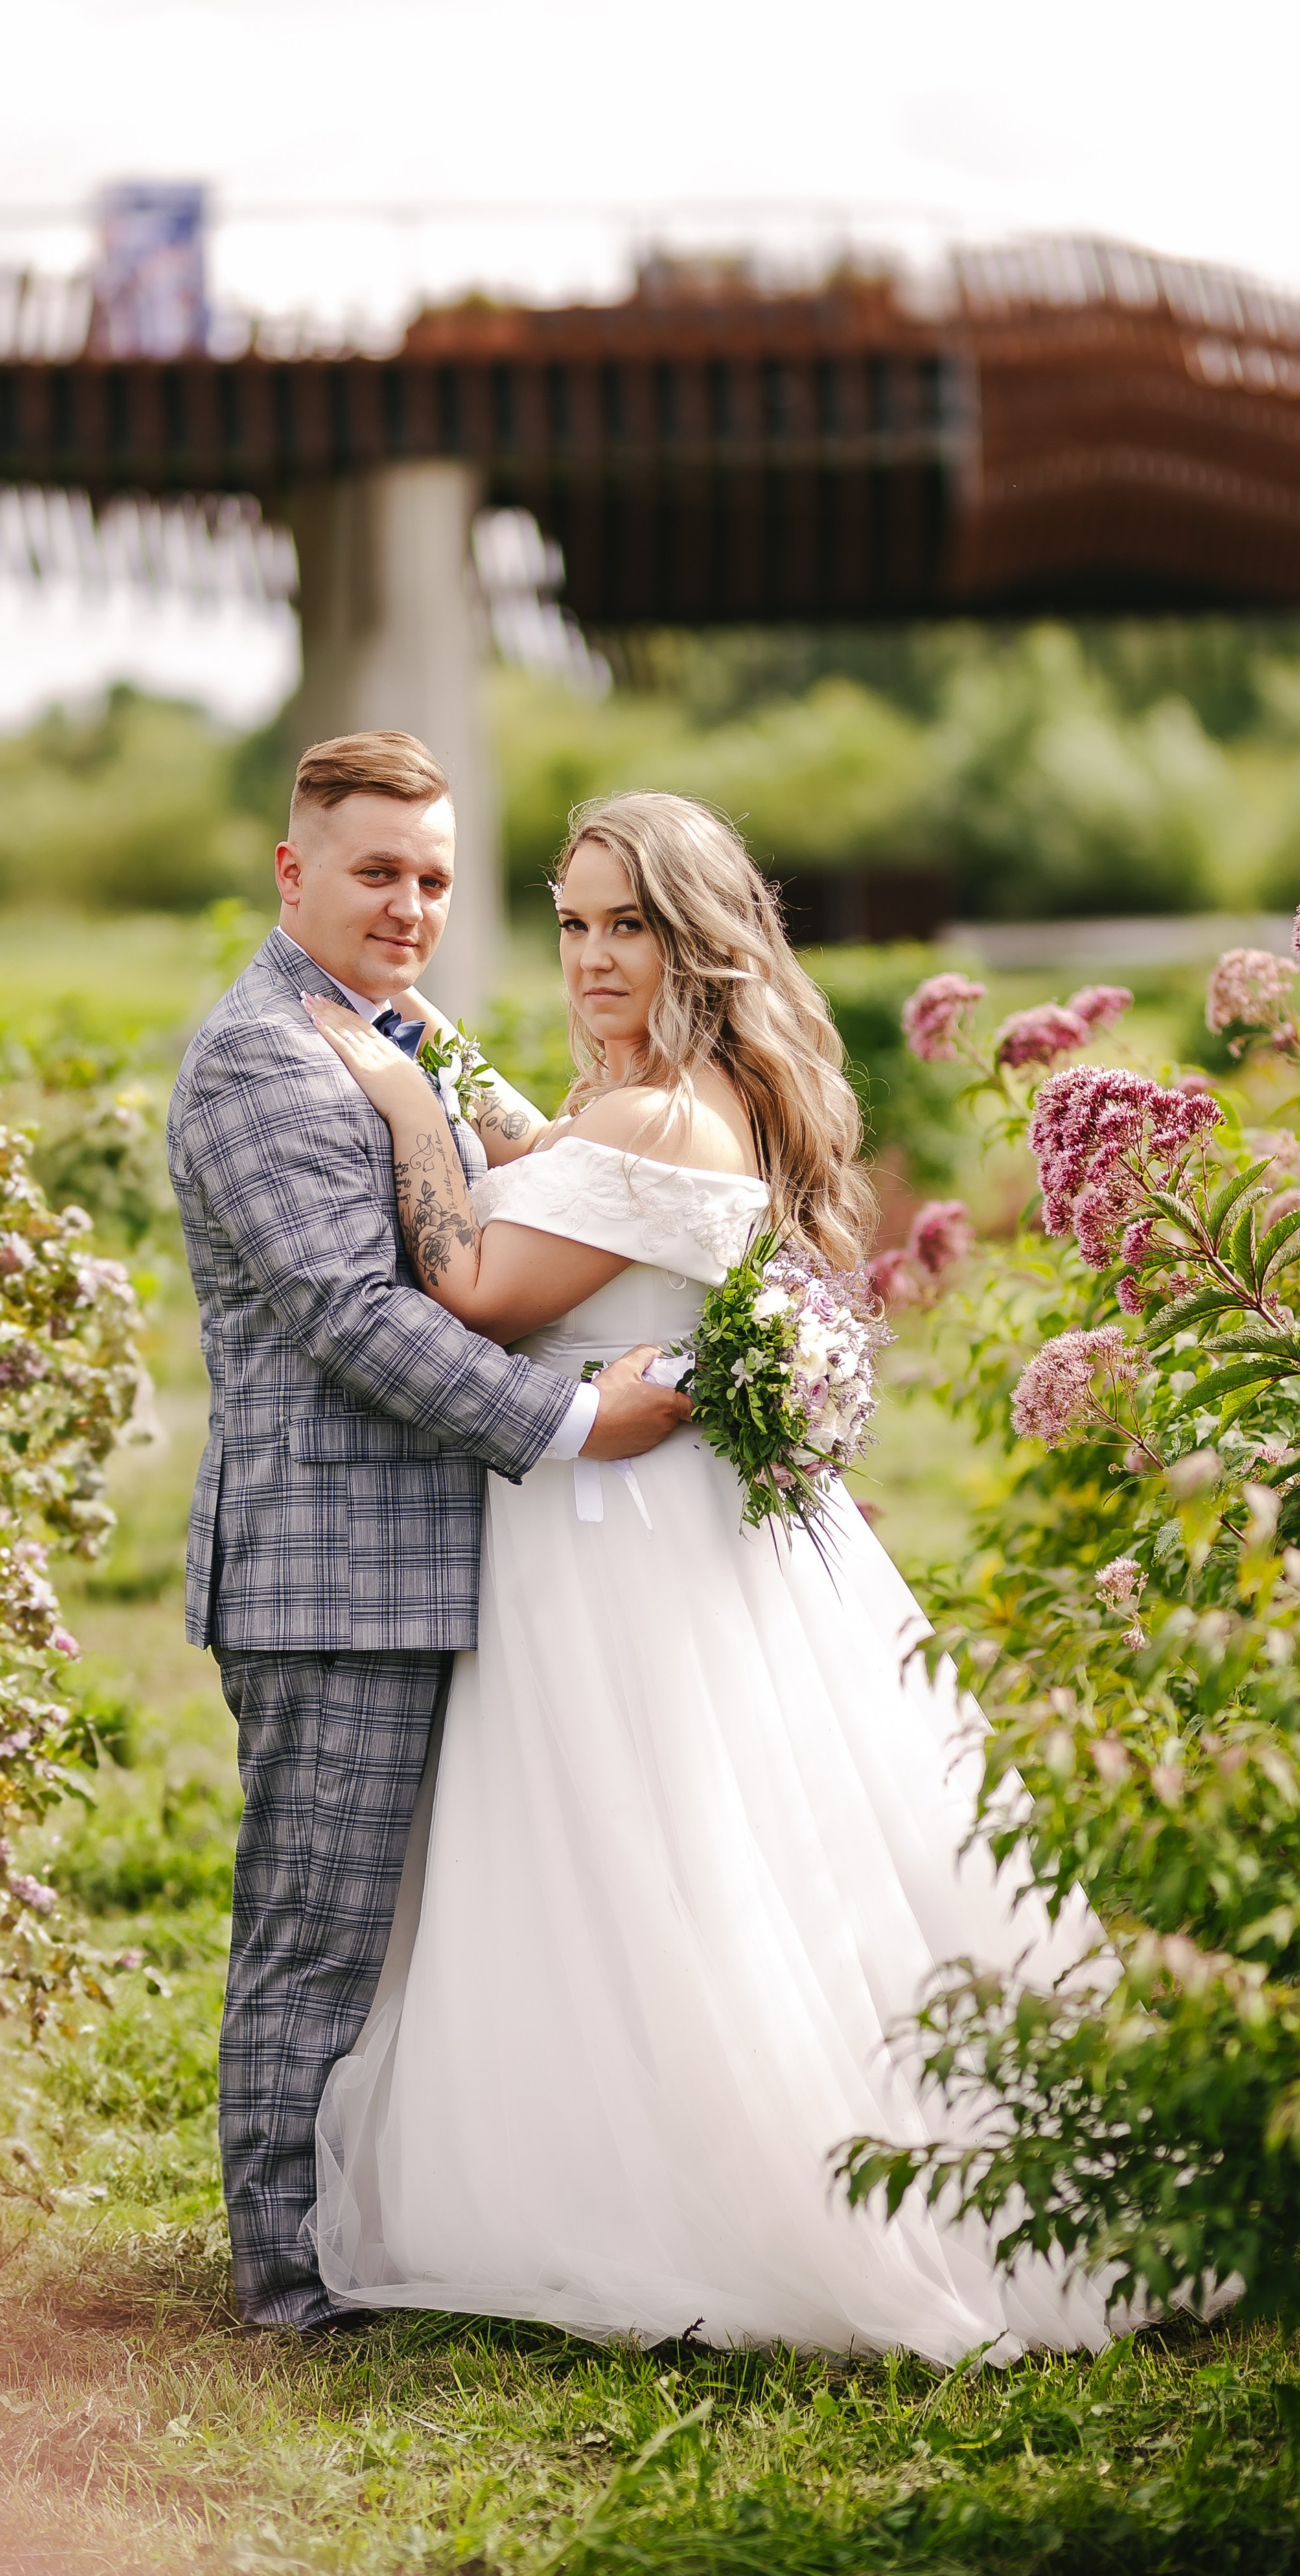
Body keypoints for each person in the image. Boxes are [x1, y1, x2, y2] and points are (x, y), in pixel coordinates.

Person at [299, 787, 1120, 2361]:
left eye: (629, 926)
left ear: (698, 936)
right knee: (672, 1854)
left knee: (644, 1850)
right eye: (571, 924)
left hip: (613, 1542)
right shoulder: (683, 1095)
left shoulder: (655, 1113)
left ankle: (691, 2193)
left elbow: (471, 1288)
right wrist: (457, 1072)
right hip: (638, 1517)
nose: (592, 958)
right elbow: (560, 1186)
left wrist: (397, 1089)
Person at [165, 731, 691, 2333]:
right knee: (315, 1937)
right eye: (377, 872)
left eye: (435, 880)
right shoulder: (264, 1054)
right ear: (292, 871)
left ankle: (386, 2227)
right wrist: (575, 1421)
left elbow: (545, 1182)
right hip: (333, 1569)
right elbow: (346, 1316)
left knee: (412, 1943)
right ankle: (282, 2283)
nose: (409, 906)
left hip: (451, 1565)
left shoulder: (404, 1032)